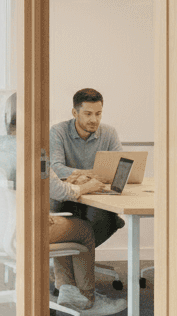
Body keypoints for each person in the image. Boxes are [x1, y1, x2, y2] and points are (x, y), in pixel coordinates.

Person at [0, 94, 127, 316]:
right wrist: (84, 188)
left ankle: (68, 289)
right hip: (25, 227)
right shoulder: (32, 150)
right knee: (83, 229)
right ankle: (88, 299)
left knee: (66, 222)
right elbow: (57, 189)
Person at [49, 88, 124, 246]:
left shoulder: (109, 133)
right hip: (68, 197)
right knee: (95, 222)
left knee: (104, 218)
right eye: (88, 114)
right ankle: (79, 255)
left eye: (98, 114)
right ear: (75, 113)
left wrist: (90, 179)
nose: (94, 120)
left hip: (97, 196)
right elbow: (55, 167)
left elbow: (119, 166)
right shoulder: (58, 132)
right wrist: (89, 175)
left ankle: (79, 256)